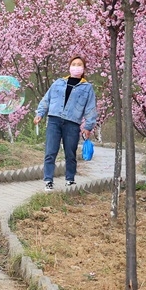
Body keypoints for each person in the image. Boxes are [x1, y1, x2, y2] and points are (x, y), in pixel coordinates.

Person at [33, 55, 98, 191]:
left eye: (79, 64)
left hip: (72, 123)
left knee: (70, 152)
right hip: (54, 120)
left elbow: (90, 108)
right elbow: (47, 99)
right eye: (73, 64)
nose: (76, 66)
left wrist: (88, 126)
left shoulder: (87, 88)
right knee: (50, 151)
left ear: (84, 68)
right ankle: (48, 180)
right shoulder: (58, 83)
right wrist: (40, 113)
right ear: (69, 67)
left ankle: (70, 179)